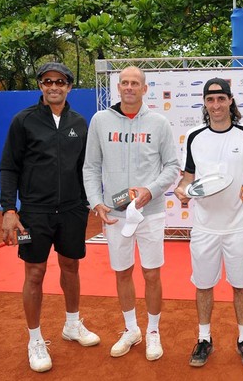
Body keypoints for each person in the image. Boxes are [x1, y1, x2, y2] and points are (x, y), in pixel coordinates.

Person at [0, 62, 100, 373]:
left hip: (72, 210)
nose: (54, 86)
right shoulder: (23, 121)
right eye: (47, 81)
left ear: (69, 86)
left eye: (60, 81)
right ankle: (35, 339)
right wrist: (8, 209)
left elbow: (89, 168)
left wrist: (91, 202)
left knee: (71, 266)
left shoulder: (81, 123)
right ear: (40, 85)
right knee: (35, 273)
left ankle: (72, 324)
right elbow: (9, 167)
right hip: (34, 213)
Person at [83, 66, 180, 361]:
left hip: (150, 213)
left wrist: (150, 190)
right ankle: (130, 329)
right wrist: (96, 202)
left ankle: (152, 331)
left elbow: (173, 167)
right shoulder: (100, 120)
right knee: (122, 272)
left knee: (151, 273)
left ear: (144, 88)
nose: (129, 87)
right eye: (124, 82)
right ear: (118, 87)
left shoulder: (159, 123)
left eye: (134, 83)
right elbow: (90, 167)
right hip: (115, 213)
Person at [174, 78, 243, 369]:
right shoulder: (194, 136)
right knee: (204, 285)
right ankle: (204, 338)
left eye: (221, 99)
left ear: (230, 100)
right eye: (210, 100)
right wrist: (181, 191)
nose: (215, 105)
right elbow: (187, 179)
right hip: (204, 227)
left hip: (239, 225)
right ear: (204, 103)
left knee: (241, 286)